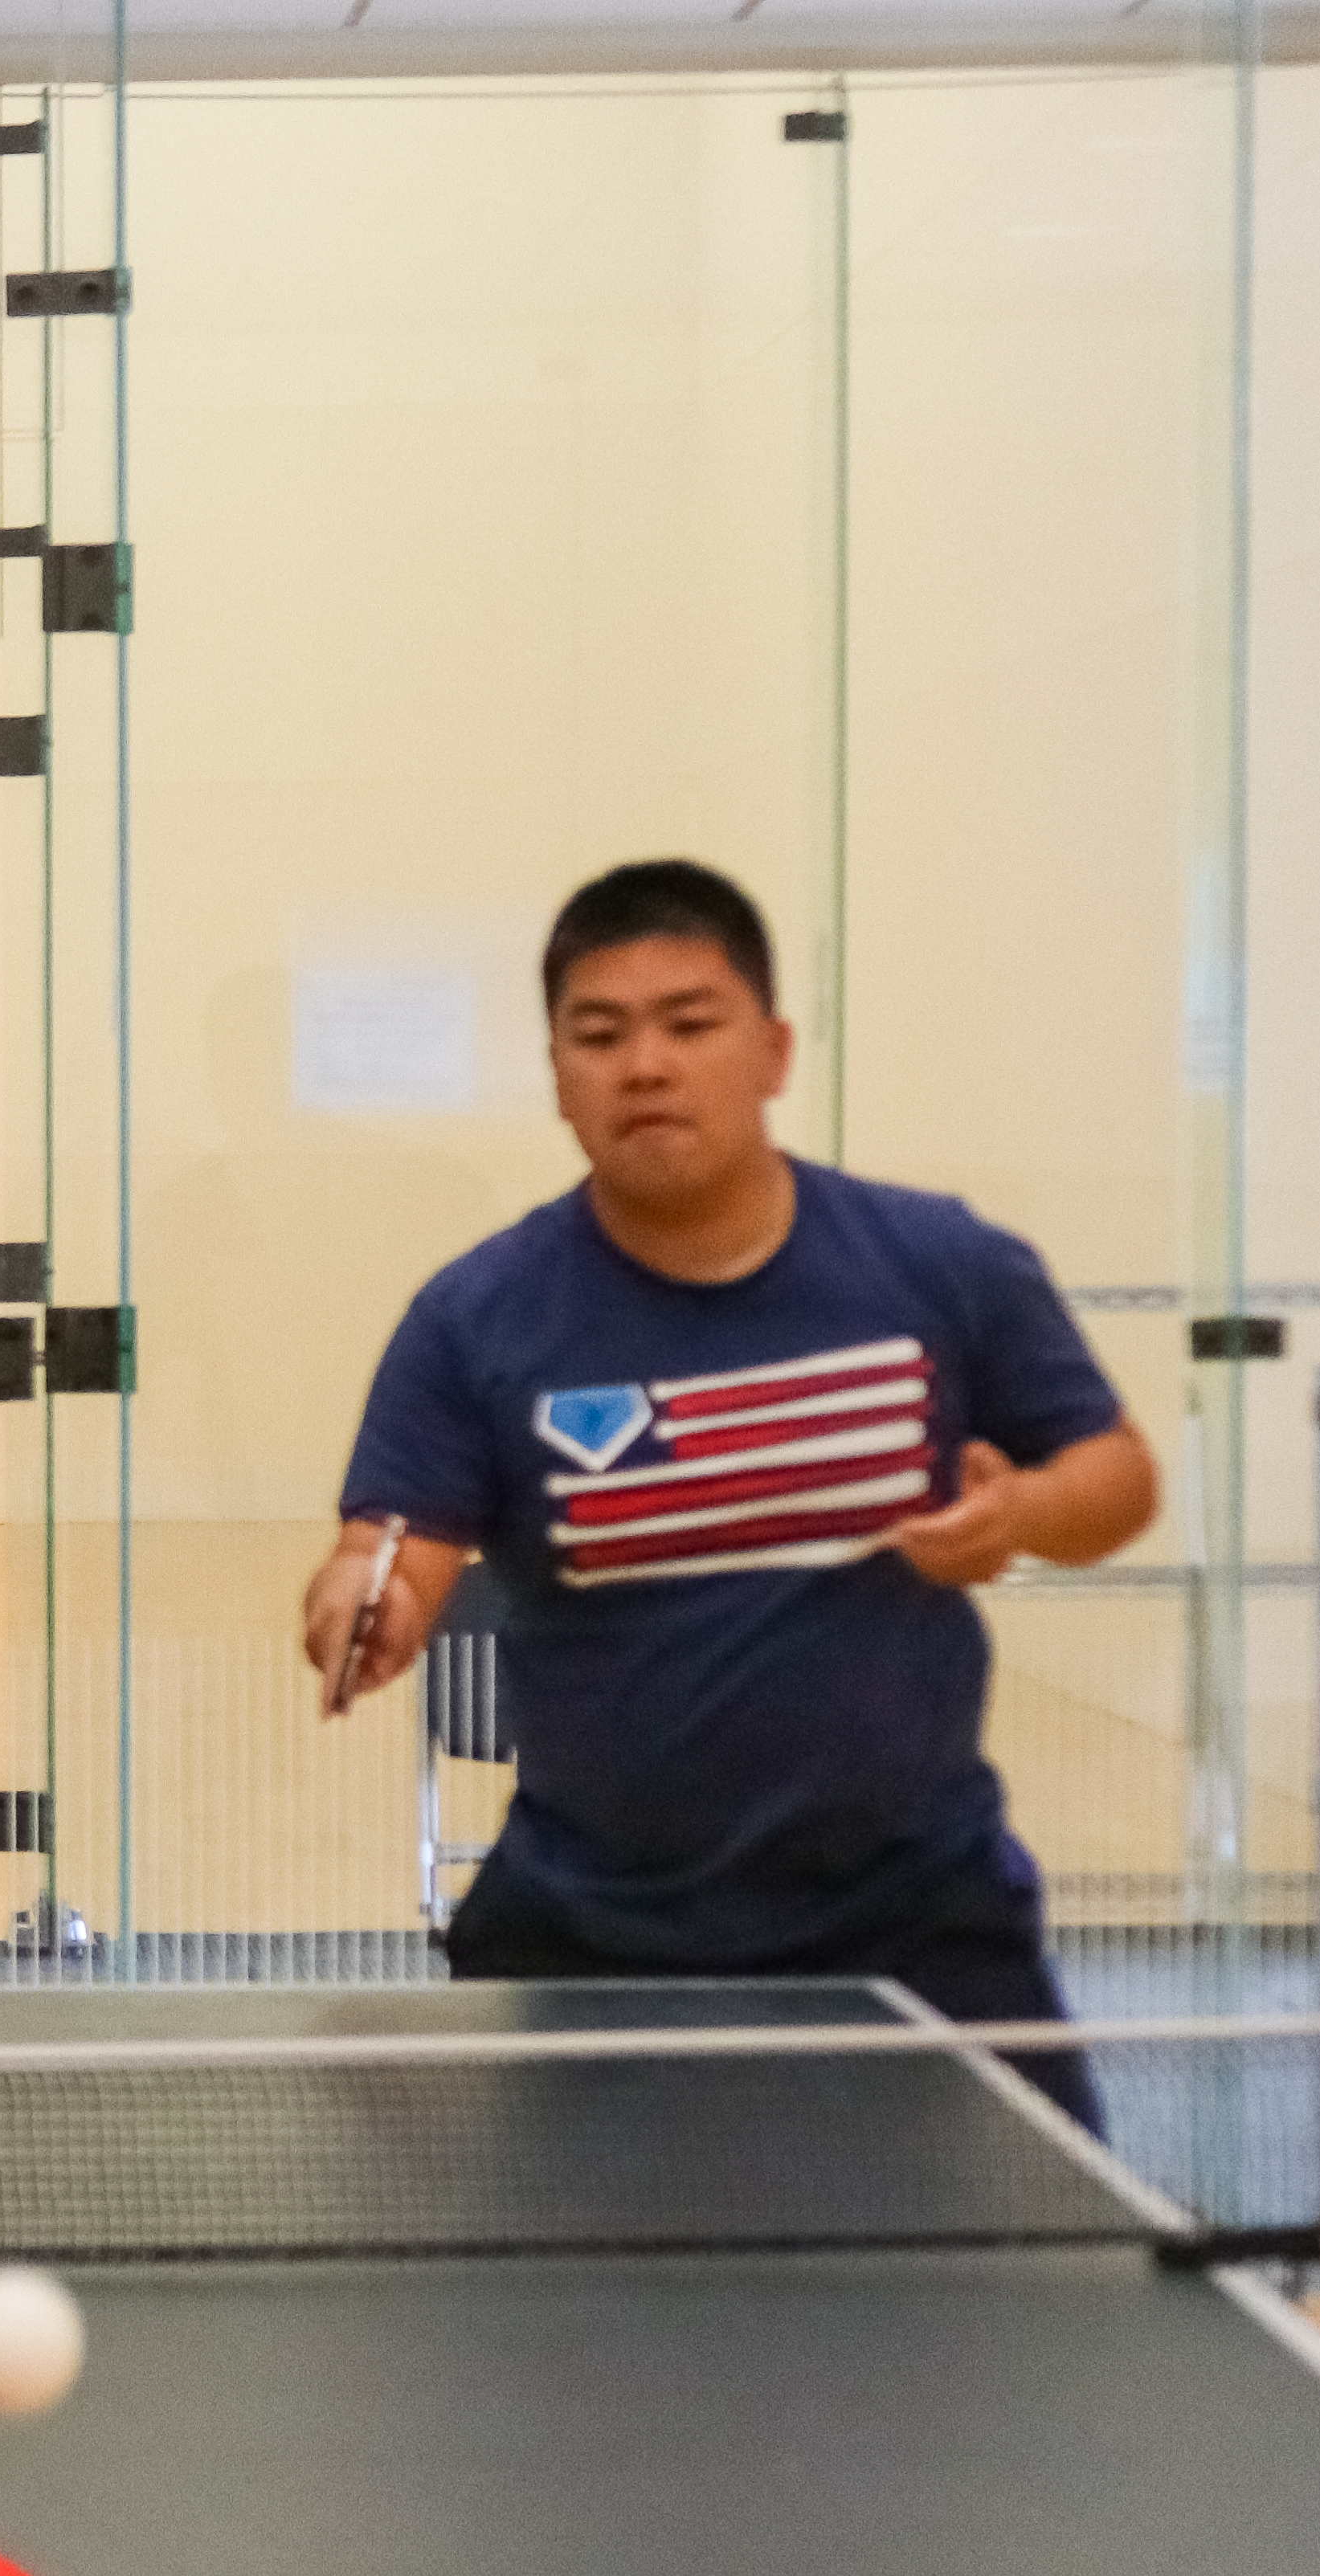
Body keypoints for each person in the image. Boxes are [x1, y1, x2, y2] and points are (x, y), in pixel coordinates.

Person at [301, 860, 1159, 2123]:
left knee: (1028, 2285)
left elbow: (1117, 1475)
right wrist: (362, 1602)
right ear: (557, 1075)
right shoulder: (475, 1316)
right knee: (563, 2318)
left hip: (917, 1919)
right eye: (600, 1035)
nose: (644, 1064)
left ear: (771, 1049)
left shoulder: (940, 1264)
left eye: (688, 1023)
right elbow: (395, 1543)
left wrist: (1022, 1517)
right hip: (592, 1931)